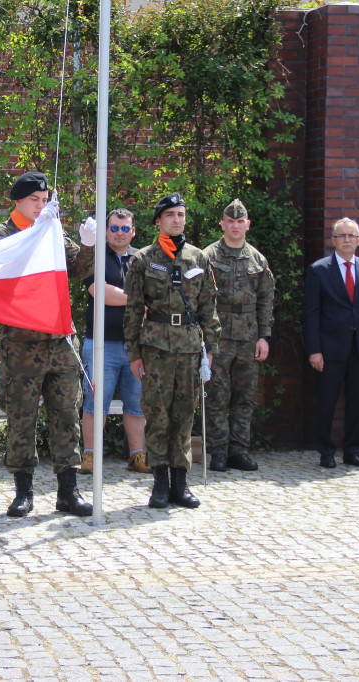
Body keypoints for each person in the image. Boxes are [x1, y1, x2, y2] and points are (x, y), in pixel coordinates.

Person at [0, 171, 96, 518]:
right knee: (22, 417)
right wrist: (37, 236)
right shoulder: (3, 235)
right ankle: (24, 491)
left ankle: (69, 490)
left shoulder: (52, 230)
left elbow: (78, 268)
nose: (40, 206)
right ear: (17, 201)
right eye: (34, 200)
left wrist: (90, 244)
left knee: (66, 415)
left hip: (60, 341)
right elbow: (3, 275)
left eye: (44, 200)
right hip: (22, 344)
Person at [123, 192, 221, 508]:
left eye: (181, 214)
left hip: (190, 345)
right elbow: (134, 309)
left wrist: (211, 348)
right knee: (157, 415)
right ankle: (160, 484)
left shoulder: (199, 258)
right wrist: (134, 353)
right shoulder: (143, 260)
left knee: (183, 415)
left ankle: (181, 484)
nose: (177, 220)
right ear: (158, 221)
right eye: (170, 215)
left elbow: (208, 306)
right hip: (155, 347)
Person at [303, 217, 359, 469]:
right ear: (333, 240)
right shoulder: (319, 269)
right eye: (342, 236)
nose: (347, 240)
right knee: (327, 401)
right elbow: (311, 313)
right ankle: (326, 451)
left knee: (357, 401)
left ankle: (352, 450)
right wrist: (314, 350)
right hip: (329, 349)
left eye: (352, 236)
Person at [202, 198, 274, 472]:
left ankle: (239, 450)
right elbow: (200, 298)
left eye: (239, 221)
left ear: (247, 225)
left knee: (244, 397)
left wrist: (264, 336)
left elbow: (266, 299)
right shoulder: (208, 255)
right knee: (217, 395)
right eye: (230, 222)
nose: (235, 226)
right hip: (218, 337)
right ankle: (218, 452)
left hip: (248, 337)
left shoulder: (257, 259)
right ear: (223, 224)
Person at [79, 208, 147, 475]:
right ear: (107, 230)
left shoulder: (143, 259)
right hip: (101, 344)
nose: (119, 233)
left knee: (137, 403)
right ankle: (90, 456)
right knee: (96, 403)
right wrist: (136, 299)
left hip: (136, 346)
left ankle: (137, 456)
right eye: (114, 228)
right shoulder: (94, 256)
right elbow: (99, 291)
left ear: (133, 231)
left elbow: (153, 293)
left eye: (125, 228)